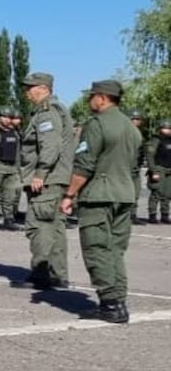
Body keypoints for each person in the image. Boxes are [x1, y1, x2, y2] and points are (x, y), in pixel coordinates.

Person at [60, 80, 143, 323]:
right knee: (115, 251)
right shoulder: (131, 127)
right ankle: (118, 300)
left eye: (92, 96)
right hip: (125, 195)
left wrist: (69, 195)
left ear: (103, 98)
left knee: (96, 248)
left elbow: (85, 165)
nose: (89, 101)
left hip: (99, 195)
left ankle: (110, 303)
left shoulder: (97, 124)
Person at [19, 72, 75, 289]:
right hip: (58, 178)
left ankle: (41, 274)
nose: (27, 92)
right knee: (56, 228)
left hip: (47, 180)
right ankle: (58, 275)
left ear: (43, 88)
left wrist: (40, 173)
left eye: (30, 88)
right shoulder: (57, 110)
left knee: (39, 227)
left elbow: (50, 145)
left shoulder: (46, 112)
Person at [146, 119, 171, 223]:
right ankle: (152, 215)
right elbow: (150, 156)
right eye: (166, 128)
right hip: (158, 168)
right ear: (160, 128)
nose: (168, 130)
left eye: (169, 128)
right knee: (156, 193)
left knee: (167, 194)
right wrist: (153, 171)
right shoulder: (155, 140)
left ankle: (165, 215)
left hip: (169, 170)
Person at [128, 109, 147, 224]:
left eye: (139, 119)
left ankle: (132, 215)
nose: (137, 121)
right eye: (135, 119)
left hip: (135, 169)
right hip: (124, 169)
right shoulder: (124, 132)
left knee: (135, 192)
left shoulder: (139, 134)